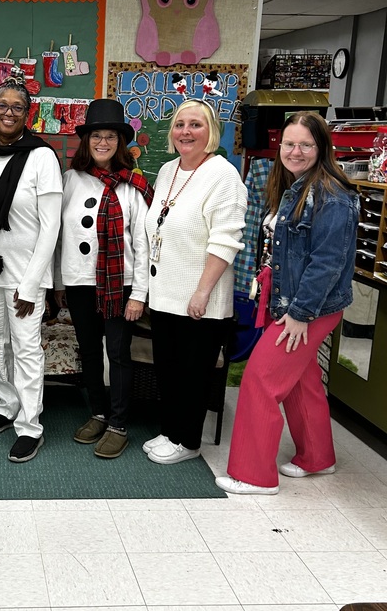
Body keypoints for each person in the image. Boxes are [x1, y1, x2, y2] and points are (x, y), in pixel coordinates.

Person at [216, 110, 358, 495]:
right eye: (289, 144)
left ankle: (254, 474)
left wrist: (299, 314)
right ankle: (318, 457)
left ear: (321, 148)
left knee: (260, 380)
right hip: (289, 301)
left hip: (308, 308)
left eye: (305, 145)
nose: (295, 152)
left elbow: (327, 262)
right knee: (302, 381)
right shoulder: (296, 186)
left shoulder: (332, 196)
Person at [144, 98, 247, 465]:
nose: (186, 132)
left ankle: (188, 441)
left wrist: (202, 292)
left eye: (196, 125)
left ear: (211, 133)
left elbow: (226, 240)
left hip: (200, 298)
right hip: (165, 293)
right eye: (180, 124)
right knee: (169, 370)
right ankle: (170, 431)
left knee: (193, 373)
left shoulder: (223, 175)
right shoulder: (168, 170)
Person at [0, 70, 63, 463]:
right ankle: (6, 407)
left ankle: (30, 424)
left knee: (25, 347)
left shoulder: (42, 158)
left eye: (17, 107)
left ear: (29, 114)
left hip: (25, 275)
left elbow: (51, 224)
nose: (9, 112)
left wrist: (32, 282)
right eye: (2, 105)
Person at [54, 98, 153, 458]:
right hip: (80, 283)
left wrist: (139, 293)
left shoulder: (132, 187)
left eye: (111, 136)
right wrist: (60, 284)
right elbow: (58, 236)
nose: (103, 142)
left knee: (118, 353)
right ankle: (97, 411)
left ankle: (119, 423)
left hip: (119, 285)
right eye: (97, 135)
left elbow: (143, 244)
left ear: (120, 142)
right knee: (90, 352)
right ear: (86, 140)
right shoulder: (70, 180)